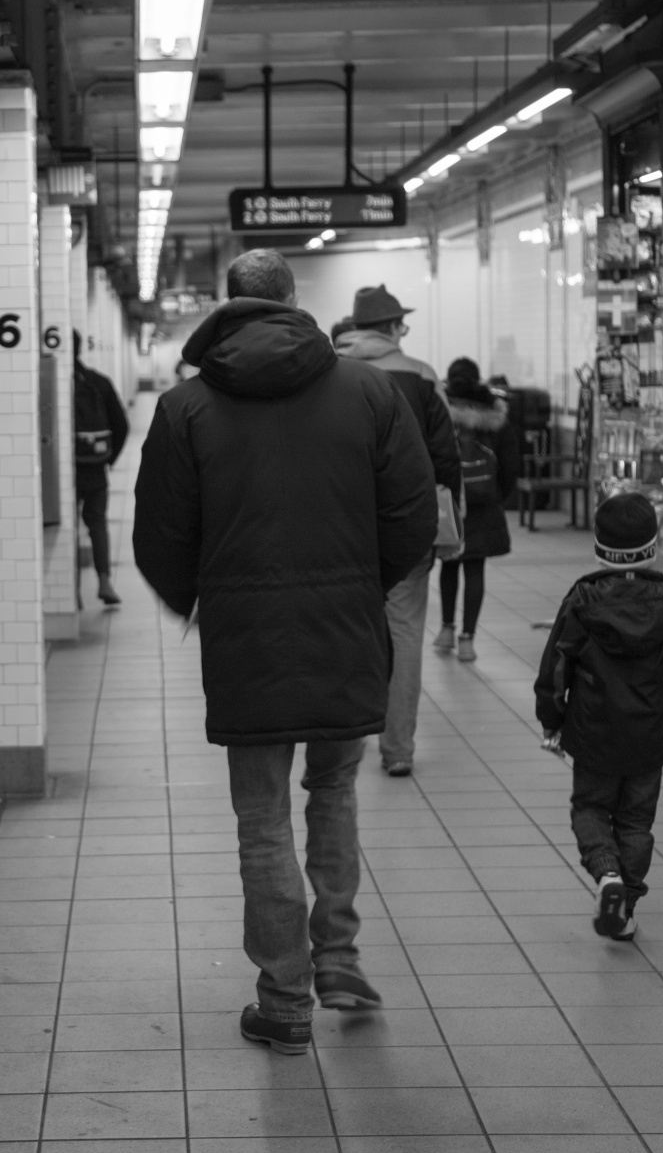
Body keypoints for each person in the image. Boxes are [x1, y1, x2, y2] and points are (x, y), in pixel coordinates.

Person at [133, 249, 438, 1055]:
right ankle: (338, 958)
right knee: (334, 793)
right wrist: (362, 590)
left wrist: (208, 603)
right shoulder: (369, 391)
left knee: (261, 824)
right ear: (294, 301)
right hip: (344, 634)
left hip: (248, 647)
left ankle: (284, 1000)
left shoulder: (187, 407)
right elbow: (412, 513)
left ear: (228, 303)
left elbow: (160, 537)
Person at [535, 493, 663, 940]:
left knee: (590, 806)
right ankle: (625, 904)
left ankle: (606, 874)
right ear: (653, 545)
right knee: (635, 821)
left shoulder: (582, 600)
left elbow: (555, 665)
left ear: (598, 545)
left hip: (593, 733)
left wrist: (551, 718)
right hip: (650, 737)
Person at [335, 286, 461, 775]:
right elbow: (446, 456)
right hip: (408, 529)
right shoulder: (421, 376)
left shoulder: (328, 372)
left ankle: (344, 744)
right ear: (390, 328)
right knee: (405, 634)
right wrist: (451, 528)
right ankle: (398, 750)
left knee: (345, 632)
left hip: (342, 529)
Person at [434, 357, 520, 661]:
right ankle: (467, 640)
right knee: (475, 568)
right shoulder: (495, 416)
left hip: (449, 501)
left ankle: (446, 631)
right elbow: (511, 465)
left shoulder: (440, 410)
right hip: (485, 504)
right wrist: (497, 495)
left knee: (449, 565)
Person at [73, 329, 129, 607]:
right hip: (95, 469)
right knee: (97, 524)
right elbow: (122, 425)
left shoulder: (48, 382)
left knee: (66, 529)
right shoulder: (99, 382)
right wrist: (108, 459)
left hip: (65, 471)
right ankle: (104, 581)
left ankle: (71, 592)